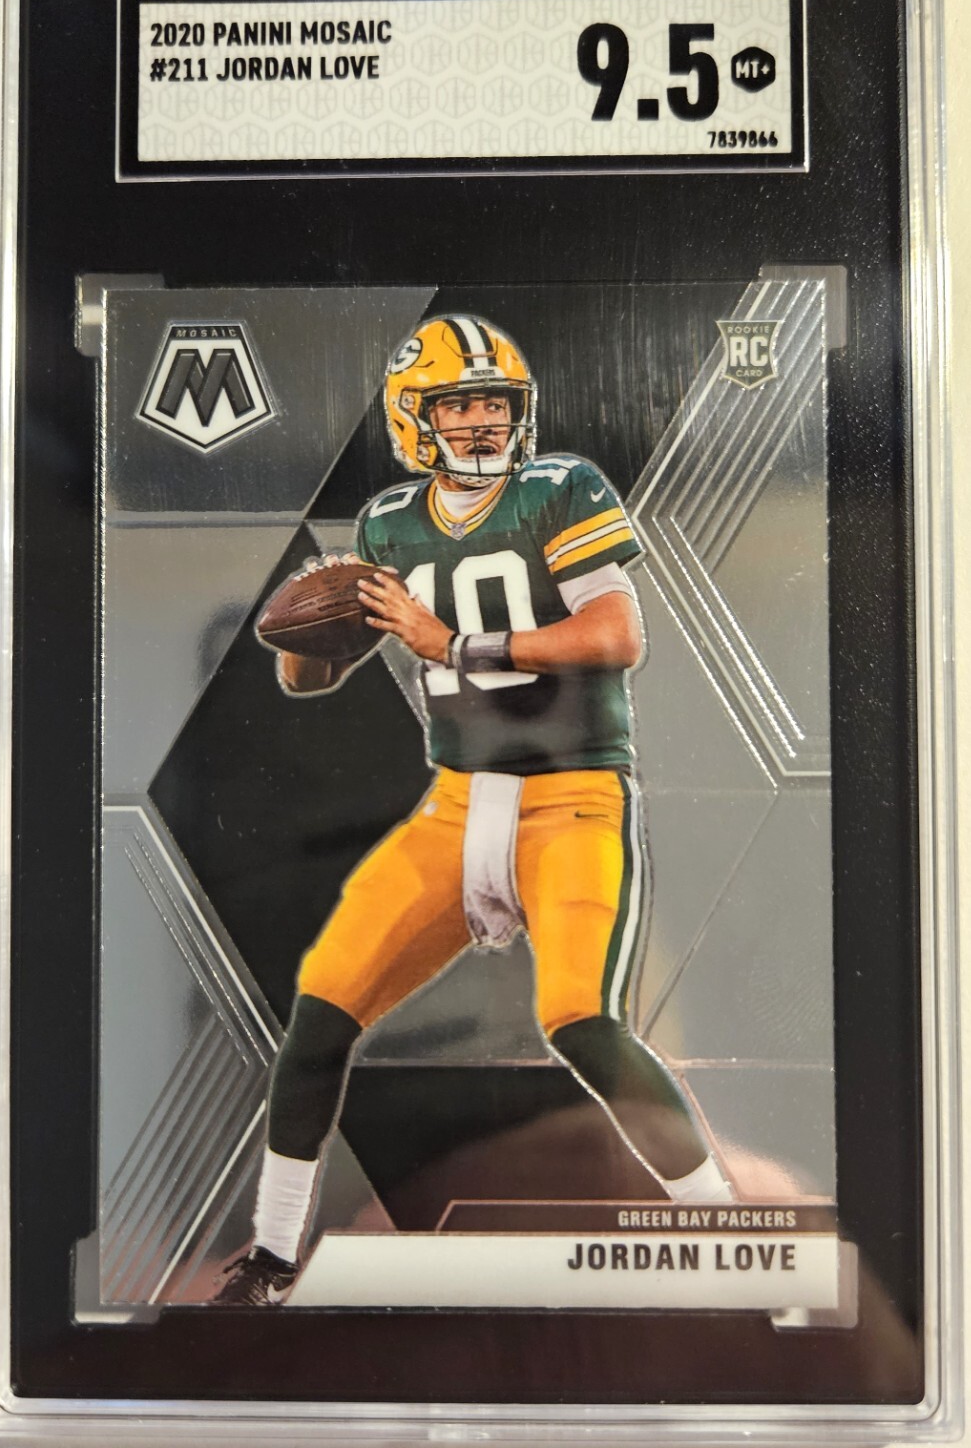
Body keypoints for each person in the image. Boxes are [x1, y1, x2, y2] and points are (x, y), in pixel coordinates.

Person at [215, 314, 732, 1306]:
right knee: (319, 1013)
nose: (480, 420)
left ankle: (721, 1231)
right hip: (453, 806)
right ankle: (272, 1258)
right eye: (457, 404)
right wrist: (299, 632)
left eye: (494, 401)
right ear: (417, 416)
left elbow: (616, 634)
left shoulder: (559, 488)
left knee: (579, 1018)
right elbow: (313, 680)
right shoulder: (388, 523)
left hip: (571, 797)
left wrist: (455, 644)